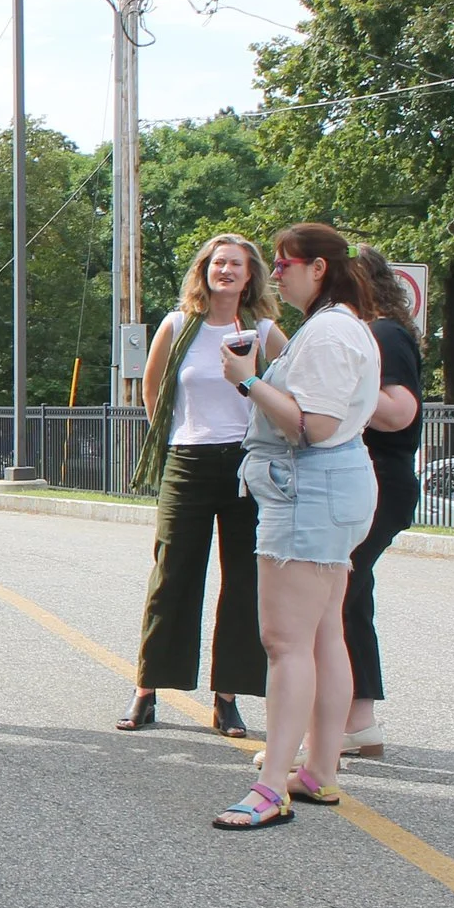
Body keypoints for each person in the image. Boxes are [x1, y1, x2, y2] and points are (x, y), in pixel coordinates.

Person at [213, 225, 382, 831]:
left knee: (285, 644)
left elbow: (310, 425)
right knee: (322, 636)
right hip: (326, 488)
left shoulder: (330, 331)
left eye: (285, 264)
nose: (275, 273)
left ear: (318, 268)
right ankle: (318, 773)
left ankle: (269, 787)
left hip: (309, 489)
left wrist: (248, 380)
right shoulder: (338, 326)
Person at [117, 235, 288, 736]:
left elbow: (291, 383)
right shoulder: (177, 325)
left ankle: (228, 696)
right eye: (218, 263)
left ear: (250, 275)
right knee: (172, 573)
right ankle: (146, 689)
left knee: (243, 582)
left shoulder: (263, 330)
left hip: (245, 465)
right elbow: (152, 389)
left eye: (236, 264)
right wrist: (174, 438)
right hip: (187, 459)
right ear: (205, 271)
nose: (227, 271)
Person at [339, 247, 425, 760]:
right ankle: (358, 721)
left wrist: (337, 390)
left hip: (379, 481)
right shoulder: (371, 333)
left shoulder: (383, 334)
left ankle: (352, 720)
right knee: (349, 592)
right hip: (370, 482)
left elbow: (398, 412)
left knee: (340, 592)